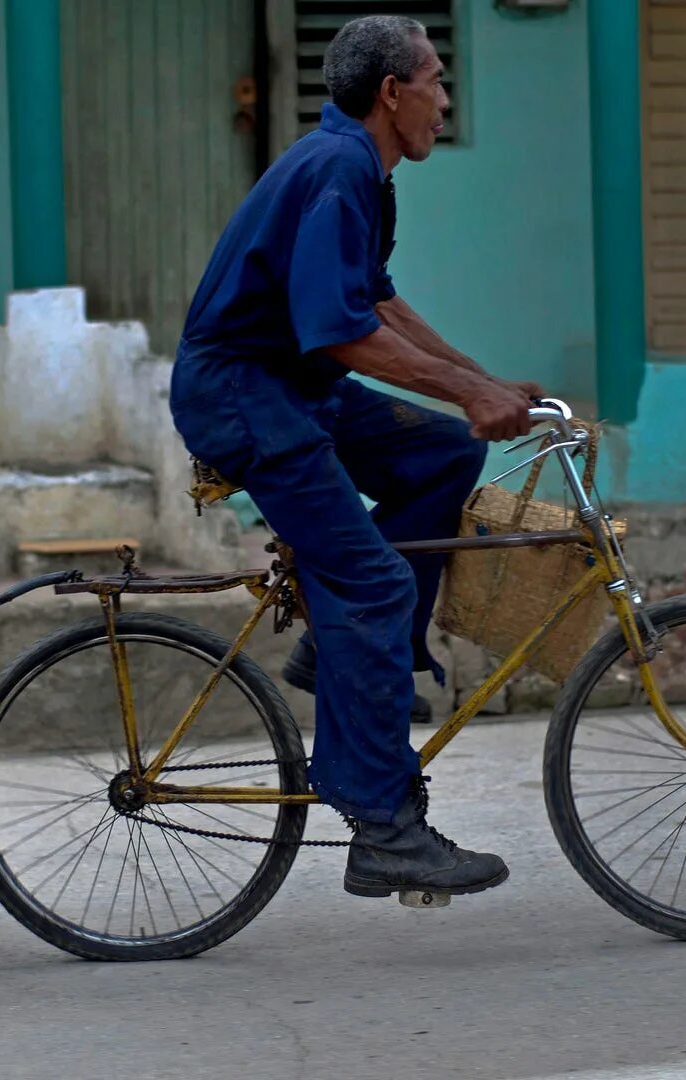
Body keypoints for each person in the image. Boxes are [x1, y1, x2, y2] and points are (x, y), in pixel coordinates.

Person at [168, 15, 539, 898]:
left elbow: (376, 303)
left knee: (444, 456)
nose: (445, 102)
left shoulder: (359, 170)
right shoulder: (338, 170)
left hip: (291, 386)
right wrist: (470, 389)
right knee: (370, 582)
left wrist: (477, 382)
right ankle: (384, 830)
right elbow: (340, 333)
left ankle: (338, 657)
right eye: (436, 82)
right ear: (391, 93)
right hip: (249, 397)